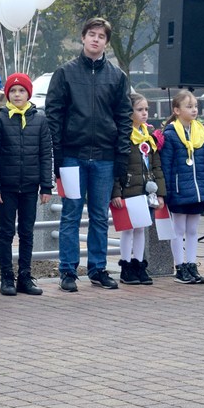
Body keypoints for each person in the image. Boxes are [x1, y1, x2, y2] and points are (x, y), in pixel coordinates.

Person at [45, 17, 132, 292]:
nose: (96, 39)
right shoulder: (65, 73)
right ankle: (68, 270)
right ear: (83, 37)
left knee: (99, 215)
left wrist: (121, 156)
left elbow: (124, 117)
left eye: (101, 36)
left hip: (105, 157)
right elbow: (54, 115)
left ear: (106, 42)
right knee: (70, 214)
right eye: (91, 34)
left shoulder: (117, 76)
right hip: (72, 155)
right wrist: (56, 156)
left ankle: (98, 268)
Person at [0, 73, 53, 296]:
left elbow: (46, 154)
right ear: (7, 94)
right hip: (6, 187)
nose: (17, 95)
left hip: (31, 186)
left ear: (28, 93)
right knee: (6, 233)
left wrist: (46, 186)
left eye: (21, 91)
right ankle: (6, 277)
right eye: (12, 91)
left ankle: (25, 275)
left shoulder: (40, 120)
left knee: (27, 232)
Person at [160, 90, 204, 286]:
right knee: (178, 229)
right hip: (178, 190)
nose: (194, 110)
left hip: (198, 190)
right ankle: (180, 267)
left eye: (195, 106)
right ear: (176, 110)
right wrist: (165, 191)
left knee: (193, 229)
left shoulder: (201, 132)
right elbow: (165, 165)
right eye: (189, 106)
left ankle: (192, 264)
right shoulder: (170, 134)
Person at [112, 93, 166, 285]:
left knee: (141, 228)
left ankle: (139, 264)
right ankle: (126, 267)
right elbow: (116, 167)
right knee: (128, 229)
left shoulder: (148, 136)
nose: (145, 113)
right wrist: (116, 192)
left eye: (146, 110)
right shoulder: (123, 136)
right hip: (128, 190)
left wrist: (160, 192)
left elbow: (156, 167)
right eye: (140, 110)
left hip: (146, 191)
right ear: (129, 112)